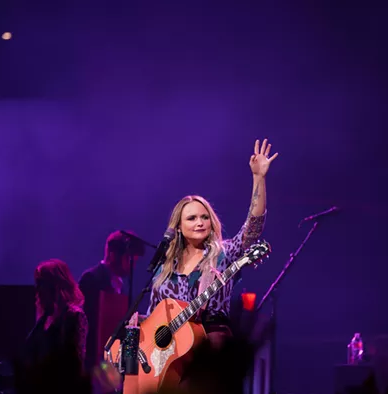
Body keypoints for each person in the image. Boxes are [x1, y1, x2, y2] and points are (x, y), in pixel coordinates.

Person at [141, 138, 277, 366]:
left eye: (205, 217)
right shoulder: (165, 267)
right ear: (179, 226)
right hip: (169, 358)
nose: (200, 222)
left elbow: (252, 228)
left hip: (209, 347)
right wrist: (140, 324)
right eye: (192, 218)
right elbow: (154, 316)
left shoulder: (222, 254)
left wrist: (258, 178)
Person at [14, 259, 89, 394]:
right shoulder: (44, 319)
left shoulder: (73, 316)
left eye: (41, 283)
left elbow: (74, 361)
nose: (37, 289)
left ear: (56, 285)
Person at [79, 230, 144, 373]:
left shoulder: (125, 284)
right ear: (113, 255)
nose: (132, 266)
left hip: (115, 359)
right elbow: (87, 325)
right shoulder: (91, 279)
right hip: (95, 362)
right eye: (129, 259)